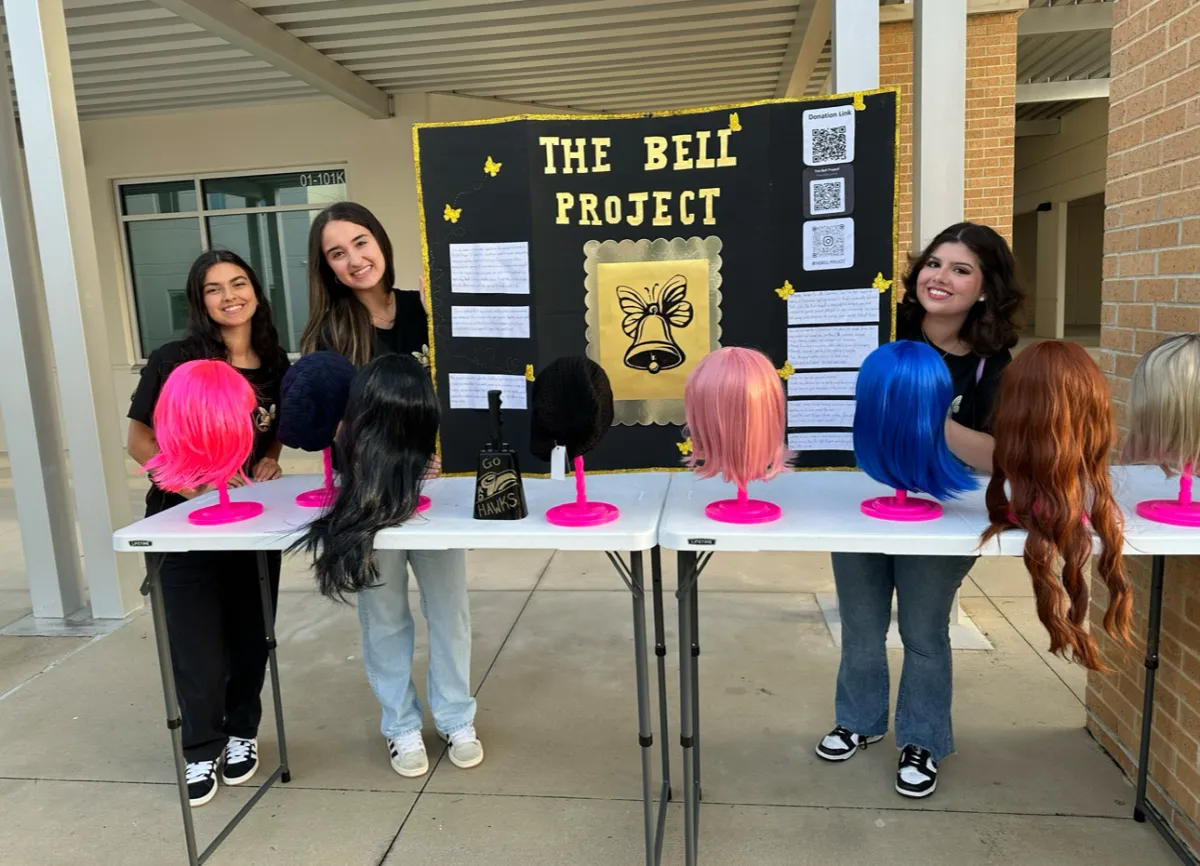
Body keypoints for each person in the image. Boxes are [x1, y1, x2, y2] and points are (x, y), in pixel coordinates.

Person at [815, 222, 1024, 798]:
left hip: (945, 511)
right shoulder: (882, 331)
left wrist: (931, 416)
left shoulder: (993, 366)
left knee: (923, 630)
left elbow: (1003, 456)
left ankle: (923, 739)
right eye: (934, 263)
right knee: (861, 624)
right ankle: (858, 721)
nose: (941, 278)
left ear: (984, 289)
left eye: (961, 270)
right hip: (865, 505)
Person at [299, 201, 482, 777]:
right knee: (383, 615)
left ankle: (455, 716)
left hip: (436, 489)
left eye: (360, 242)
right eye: (337, 253)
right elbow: (332, 424)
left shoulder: (424, 308)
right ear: (327, 268)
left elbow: (467, 380)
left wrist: (450, 310)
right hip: (369, 493)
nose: (354, 259)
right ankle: (401, 726)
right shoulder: (330, 334)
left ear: (380, 240)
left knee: (449, 610)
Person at [127, 250, 291, 807]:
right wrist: (189, 484)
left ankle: (242, 731)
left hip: (250, 523)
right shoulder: (175, 360)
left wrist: (269, 458)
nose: (229, 297)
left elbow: (275, 426)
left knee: (251, 635)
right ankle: (200, 747)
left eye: (238, 283)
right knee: (196, 642)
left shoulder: (274, 364)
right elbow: (139, 439)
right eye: (213, 288)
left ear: (256, 292)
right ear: (200, 302)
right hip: (182, 522)